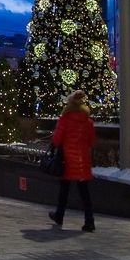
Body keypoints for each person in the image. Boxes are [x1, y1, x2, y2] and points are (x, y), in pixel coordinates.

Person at [48, 90, 96, 232]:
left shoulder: (65, 119)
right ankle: (89, 221)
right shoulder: (88, 121)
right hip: (83, 161)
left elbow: (56, 140)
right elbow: (92, 141)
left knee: (64, 190)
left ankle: (59, 215)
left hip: (67, 161)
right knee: (84, 193)